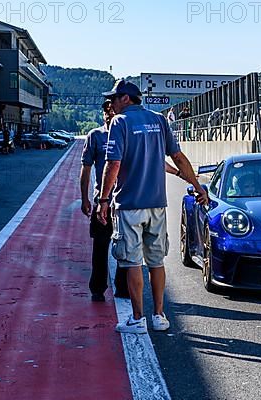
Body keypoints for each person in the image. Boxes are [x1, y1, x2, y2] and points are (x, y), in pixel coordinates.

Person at [97, 79, 209, 334]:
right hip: (157, 204)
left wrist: (103, 200)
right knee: (157, 262)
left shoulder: (120, 122)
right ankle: (159, 316)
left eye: (114, 98)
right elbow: (177, 157)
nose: (111, 104)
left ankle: (138, 319)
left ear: (126, 98)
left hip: (129, 204)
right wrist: (198, 186)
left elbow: (113, 164)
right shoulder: (159, 120)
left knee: (132, 261)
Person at [80, 100, 129, 301]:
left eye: (112, 110)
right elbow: (86, 169)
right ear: (103, 114)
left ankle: (123, 287)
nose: (109, 114)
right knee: (100, 247)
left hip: (124, 201)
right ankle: (97, 288)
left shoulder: (126, 133)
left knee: (125, 248)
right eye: (106, 111)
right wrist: (85, 198)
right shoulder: (95, 136)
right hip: (103, 202)